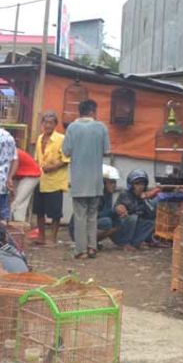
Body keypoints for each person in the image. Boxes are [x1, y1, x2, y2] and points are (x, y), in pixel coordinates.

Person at [63, 99, 111, 259]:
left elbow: (66, 151)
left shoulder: (72, 128)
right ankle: (92, 247)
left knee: (80, 216)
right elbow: (106, 151)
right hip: (95, 180)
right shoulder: (101, 127)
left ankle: (80, 250)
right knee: (92, 215)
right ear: (92, 111)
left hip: (78, 179)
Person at [32, 111, 69, 245]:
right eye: (45, 122)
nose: (48, 125)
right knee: (39, 210)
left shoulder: (61, 139)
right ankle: (41, 236)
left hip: (55, 180)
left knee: (55, 212)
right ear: (42, 124)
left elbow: (66, 159)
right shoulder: (39, 138)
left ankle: (52, 238)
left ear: (55, 124)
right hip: (40, 179)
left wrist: (53, 167)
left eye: (51, 123)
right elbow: (37, 159)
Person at [69, 164, 122, 245]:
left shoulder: (107, 194)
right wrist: (114, 211)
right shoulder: (94, 195)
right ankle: (85, 242)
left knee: (117, 221)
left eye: (115, 182)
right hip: (79, 228)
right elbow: (93, 216)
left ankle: (92, 242)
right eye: (111, 182)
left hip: (89, 224)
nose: (114, 185)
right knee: (106, 222)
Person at [113, 169, 162, 250]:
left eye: (142, 184)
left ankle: (135, 243)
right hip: (120, 229)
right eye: (137, 184)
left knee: (150, 223)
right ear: (131, 185)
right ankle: (125, 243)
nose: (140, 186)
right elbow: (133, 209)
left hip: (133, 226)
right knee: (133, 218)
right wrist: (143, 198)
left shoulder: (143, 196)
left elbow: (150, 213)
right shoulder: (125, 194)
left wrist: (146, 199)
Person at [9, 148, 41, 223]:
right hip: (20, 175)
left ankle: (17, 223)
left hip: (32, 174)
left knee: (18, 201)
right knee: (19, 201)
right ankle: (18, 222)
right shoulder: (10, 149)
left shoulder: (10, 151)